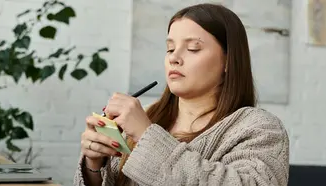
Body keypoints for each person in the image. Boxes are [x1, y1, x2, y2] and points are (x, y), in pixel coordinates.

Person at [74, 3, 289, 186]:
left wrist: (146, 136)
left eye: (193, 48)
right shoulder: (146, 119)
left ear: (228, 61)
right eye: (169, 49)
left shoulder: (259, 128)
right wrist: (94, 166)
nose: (174, 58)